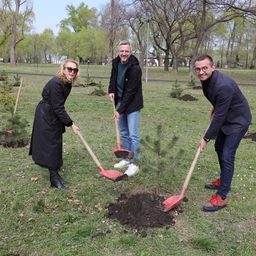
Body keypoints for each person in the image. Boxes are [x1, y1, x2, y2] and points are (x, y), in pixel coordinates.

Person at [194, 54, 251, 212]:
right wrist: (215, 108)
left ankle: (222, 196)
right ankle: (223, 180)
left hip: (238, 121)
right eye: (198, 69)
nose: (201, 72)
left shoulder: (222, 85)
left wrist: (206, 138)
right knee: (219, 148)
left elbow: (220, 116)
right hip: (226, 117)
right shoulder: (207, 81)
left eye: (205, 68)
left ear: (213, 67)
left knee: (227, 154)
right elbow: (218, 105)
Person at [29, 59, 80, 189]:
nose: (72, 72)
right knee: (51, 143)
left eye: (75, 70)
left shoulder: (67, 83)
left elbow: (58, 106)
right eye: (69, 69)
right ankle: (54, 178)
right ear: (63, 69)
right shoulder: (56, 83)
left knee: (56, 140)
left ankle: (55, 167)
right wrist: (71, 124)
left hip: (53, 113)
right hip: (46, 114)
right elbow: (58, 107)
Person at [108, 40, 143, 180]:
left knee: (133, 134)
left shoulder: (135, 68)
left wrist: (119, 110)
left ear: (130, 52)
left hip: (132, 103)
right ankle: (127, 159)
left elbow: (130, 92)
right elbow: (113, 78)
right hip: (120, 101)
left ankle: (136, 162)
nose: (124, 53)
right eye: (121, 51)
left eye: (126, 51)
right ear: (118, 51)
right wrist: (111, 90)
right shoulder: (116, 62)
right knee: (124, 133)